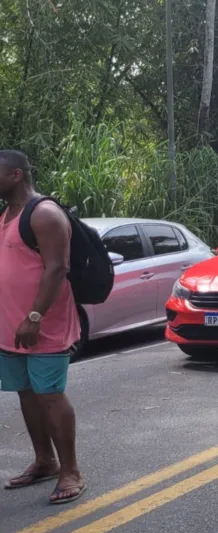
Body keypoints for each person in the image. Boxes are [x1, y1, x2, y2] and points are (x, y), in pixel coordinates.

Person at [0, 150, 86, 504]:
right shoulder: (7, 214)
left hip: (42, 325)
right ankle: (44, 461)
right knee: (26, 393)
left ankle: (71, 471)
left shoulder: (45, 214)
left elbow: (56, 269)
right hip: (10, 327)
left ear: (16, 175)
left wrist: (34, 317)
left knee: (50, 395)